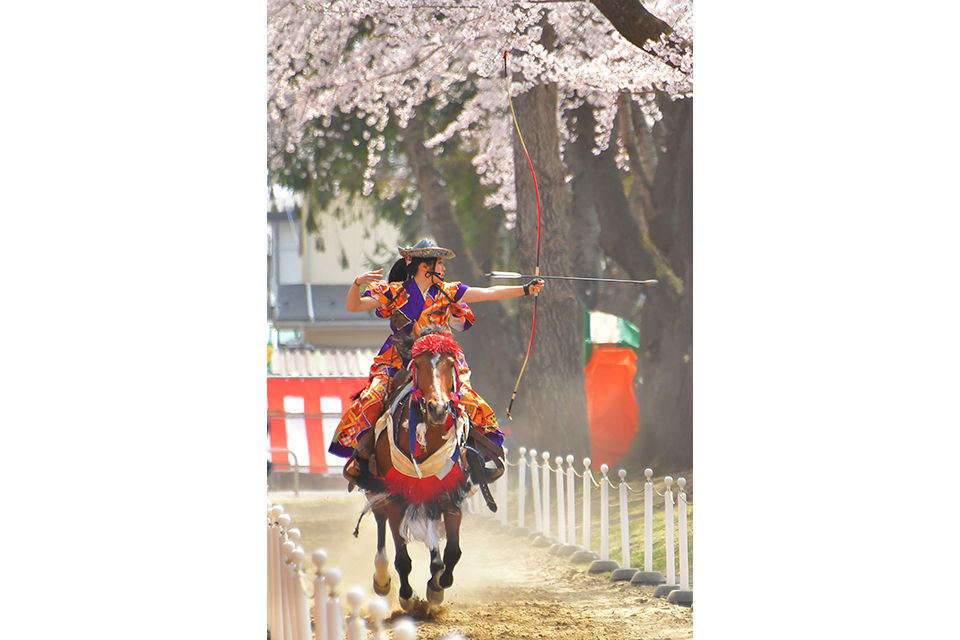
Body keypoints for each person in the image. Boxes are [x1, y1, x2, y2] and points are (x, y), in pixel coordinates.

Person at [328, 238, 544, 481]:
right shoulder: (394, 292)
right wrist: (357, 283)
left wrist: (525, 289)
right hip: (398, 358)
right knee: (373, 397)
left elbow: (489, 293)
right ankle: (362, 456)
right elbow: (353, 306)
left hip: (441, 358)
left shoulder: (448, 292)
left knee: (470, 400)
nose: (443, 268)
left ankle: (479, 456)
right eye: (440, 263)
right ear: (425, 267)